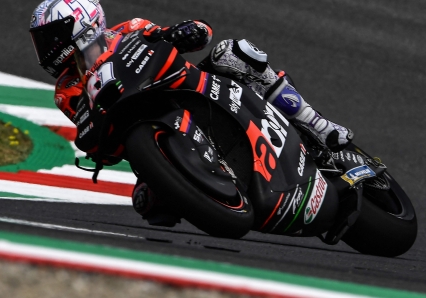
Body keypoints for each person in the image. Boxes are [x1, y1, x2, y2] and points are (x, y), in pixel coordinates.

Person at [29, 0, 354, 224]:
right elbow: (92, 132)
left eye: (50, 36)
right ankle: (207, 183)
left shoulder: (130, 28)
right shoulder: (66, 89)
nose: (46, 47)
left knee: (234, 52)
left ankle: (314, 123)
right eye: (41, 40)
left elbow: (195, 33)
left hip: (191, 87)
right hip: (146, 130)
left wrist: (185, 32)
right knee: (150, 206)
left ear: (82, 23)